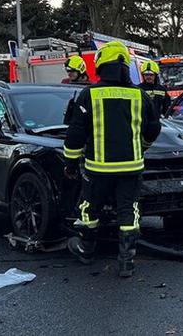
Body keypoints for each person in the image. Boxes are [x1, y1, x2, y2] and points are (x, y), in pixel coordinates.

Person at [63, 41, 161, 278]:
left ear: (101, 64)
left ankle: (86, 250)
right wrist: (143, 147)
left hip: (98, 168)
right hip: (131, 167)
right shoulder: (140, 95)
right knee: (129, 211)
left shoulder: (89, 94)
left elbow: (76, 133)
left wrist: (70, 162)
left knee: (90, 209)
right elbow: (153, 128)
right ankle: (126, 261)